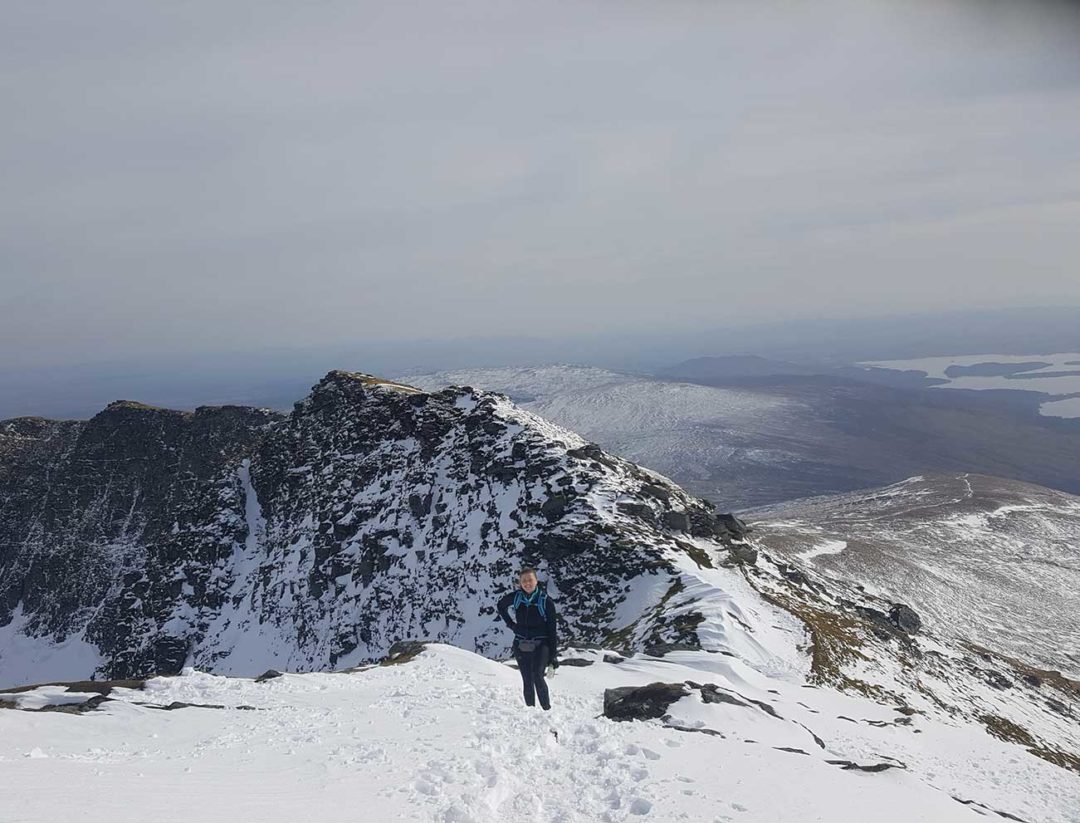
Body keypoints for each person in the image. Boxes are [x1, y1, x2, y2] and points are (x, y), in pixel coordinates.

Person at [497, 567, 560, 710]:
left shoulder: (546, 601)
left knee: (538, 676)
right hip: (521, 643)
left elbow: (552, 629)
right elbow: (501, 605)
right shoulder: (516, 597)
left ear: (536, 581)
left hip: (541, 643)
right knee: (527, 679)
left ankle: (546, 710)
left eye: (530, 580)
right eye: (523, 581)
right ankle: (531, 712)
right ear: (520, 583)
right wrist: (511, 625)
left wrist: (553, 655)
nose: (527, 583)